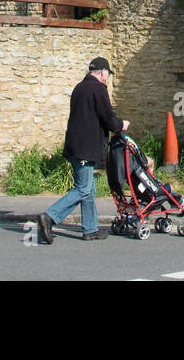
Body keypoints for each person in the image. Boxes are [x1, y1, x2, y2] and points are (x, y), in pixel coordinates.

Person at [36, 57, 127, 243]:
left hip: (76, 145)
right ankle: (49, 217)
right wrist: (121, 125)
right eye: (108, 74)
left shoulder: (79, 87)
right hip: (86, 147)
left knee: (89, 190)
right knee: (83, 189)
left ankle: (90, 230)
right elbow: (107, 116)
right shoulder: (98, 88)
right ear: (102, 72)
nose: (107, 78)